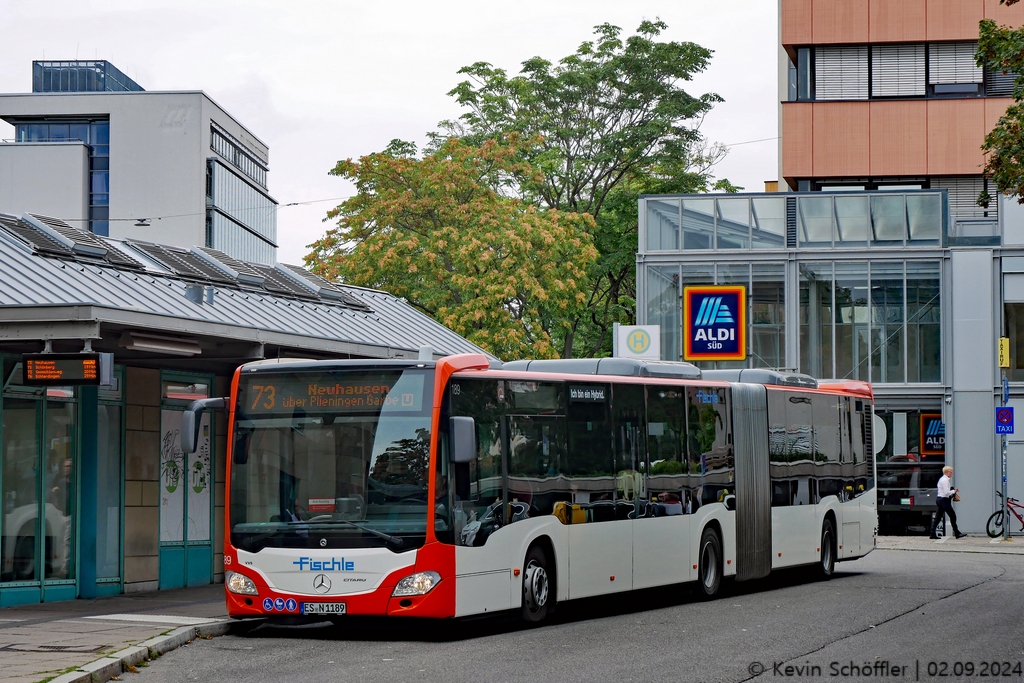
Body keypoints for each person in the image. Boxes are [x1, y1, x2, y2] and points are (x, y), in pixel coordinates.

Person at [930, 465, 965, 539]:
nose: (951, 473)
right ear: (946, 472)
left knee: (938, 517)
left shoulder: (942, 479)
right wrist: (953, 491)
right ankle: (957, 533)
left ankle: (932, 533)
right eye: (950, 472)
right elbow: (946, 492)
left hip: (940, 499)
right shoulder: (945, 480)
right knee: (953, 516)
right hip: (944, 500)